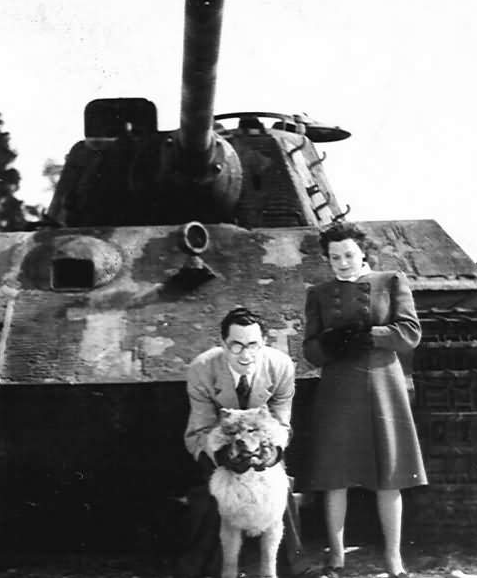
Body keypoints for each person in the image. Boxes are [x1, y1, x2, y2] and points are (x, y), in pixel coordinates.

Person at [301, 222, 427, 578]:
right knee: (334, 476)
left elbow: (410, 332)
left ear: (363, 253)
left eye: (349, 255)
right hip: (338, 390)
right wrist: (332, 344)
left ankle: (394, 560)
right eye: (334, 257)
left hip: (383, 387)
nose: (342, 262)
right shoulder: (319, 293)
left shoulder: (391, 281)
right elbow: (310, 349)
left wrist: (370, 334)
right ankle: (337, 557)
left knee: (390, 475)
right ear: (327, 258)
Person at [178, 307, 318, 578]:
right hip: (215, 443)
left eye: (253, 345)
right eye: (237, 345)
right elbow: (203, 427)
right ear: (223, 344)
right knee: (215, 493)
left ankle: (295, 566)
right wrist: (225, 459)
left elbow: (282, 423)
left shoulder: (280, 367)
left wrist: (273, 454)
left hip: (262, 441)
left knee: (279, 487)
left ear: (263, 343)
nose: (245, 354)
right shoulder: (202, 369)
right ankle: (211, 568)